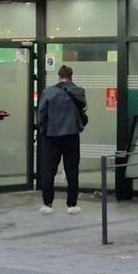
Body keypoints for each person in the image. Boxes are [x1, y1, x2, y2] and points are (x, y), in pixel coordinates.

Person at [38, 65, 87, 215]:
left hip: (52, 136)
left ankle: (47, 204)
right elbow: (83, 110)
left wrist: (43, 131)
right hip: (72, 135)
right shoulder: (79, 91)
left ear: (59, 76)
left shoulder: (48, 92)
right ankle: (72, 205)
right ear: (71, 76)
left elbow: (42, 114)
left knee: (49, 170)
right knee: (72, 170)